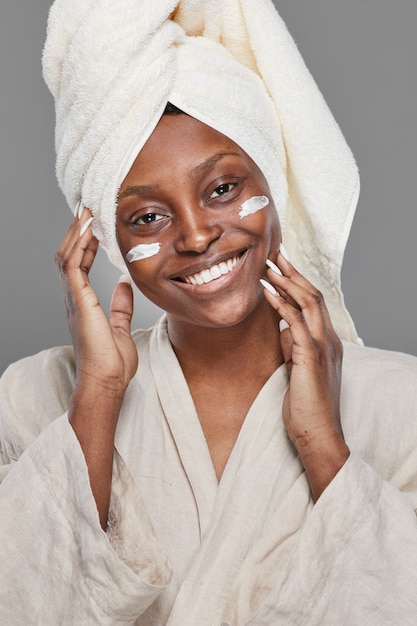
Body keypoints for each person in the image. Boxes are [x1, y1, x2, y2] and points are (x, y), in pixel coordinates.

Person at [1, 1, 417, 624]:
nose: (195, 236)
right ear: (106, 241)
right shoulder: (33, 399)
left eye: (222, 189)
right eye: (147, 217)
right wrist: (98, 395)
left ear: (273, 182)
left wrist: (323, 445)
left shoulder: (402, 405)